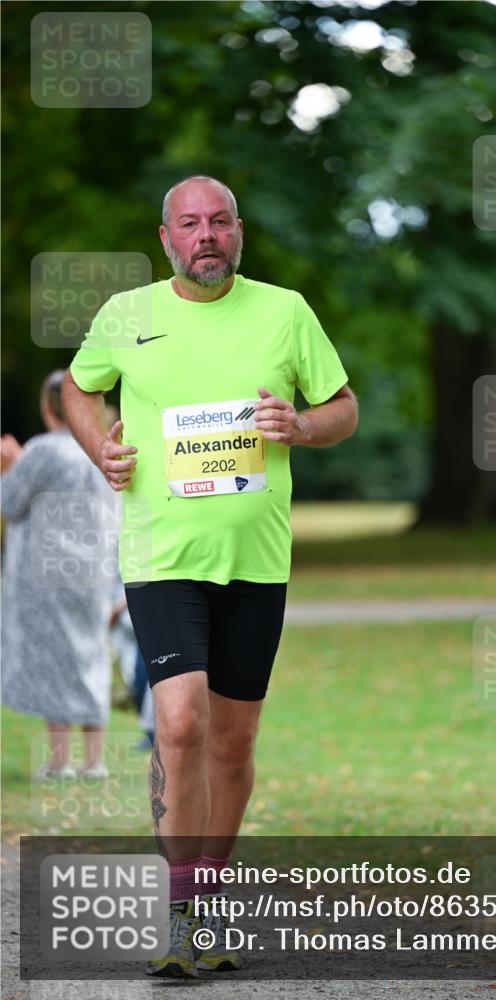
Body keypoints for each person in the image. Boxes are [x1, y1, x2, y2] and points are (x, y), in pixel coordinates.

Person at [62, 176, 358, 978]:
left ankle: (211, 894)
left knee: (233, 741)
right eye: (189, 224)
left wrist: (299, 424)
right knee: (181, 722)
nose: (206, 235)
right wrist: (102, 450)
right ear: (165, 239)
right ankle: (181, 910)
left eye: (219, 222)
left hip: (256, 560)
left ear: (239, 233)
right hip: (160, 557)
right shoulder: (127, 316)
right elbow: (76, 388)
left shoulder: (285, 311)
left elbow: (343, 407)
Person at [1, 370, 116, 780]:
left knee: (56, 662)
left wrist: (8, 467)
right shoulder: (105, 449)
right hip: (95, 572)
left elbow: (11, 503)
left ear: (49, 407)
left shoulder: (44, 450)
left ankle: (60, 761)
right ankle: (94, 760)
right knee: (91, 657)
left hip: (46, 574)